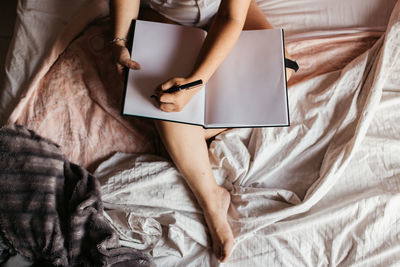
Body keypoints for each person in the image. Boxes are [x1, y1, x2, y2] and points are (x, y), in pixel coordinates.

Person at [111, 0, 296, 262]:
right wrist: (118, 41)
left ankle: (189, 138)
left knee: (281, 68)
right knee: (164, 98)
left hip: (229, 13)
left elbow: (230, 17)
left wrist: (196, 82)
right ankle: (212, 200)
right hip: (165, 17)